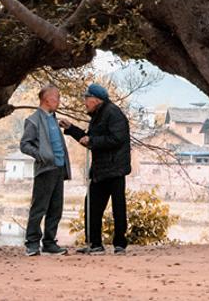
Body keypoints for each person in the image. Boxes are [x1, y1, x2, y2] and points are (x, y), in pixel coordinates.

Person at [60, 83, 131, 255]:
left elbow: (117, 138)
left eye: (87, 99)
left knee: (118, 206)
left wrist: (92, 141)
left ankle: (120, 244)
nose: (85, 102)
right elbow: (89, 138)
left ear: (96, 100)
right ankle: (95, 244)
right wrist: (71, 129)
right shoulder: (98, 115)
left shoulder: (113, 113)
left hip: (115, 168)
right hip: (101, 169)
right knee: (92, 205)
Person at [20, 84, 71, 256]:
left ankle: (49, 243)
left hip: (58, 168)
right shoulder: (33, 120)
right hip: (45, 169)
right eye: (57, 97)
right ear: (47, 99)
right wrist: (41, 155)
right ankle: (32, 244)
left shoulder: (54, 119)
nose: (59, 100)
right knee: (39, 207)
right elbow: (24, 145)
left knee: (56, 207)